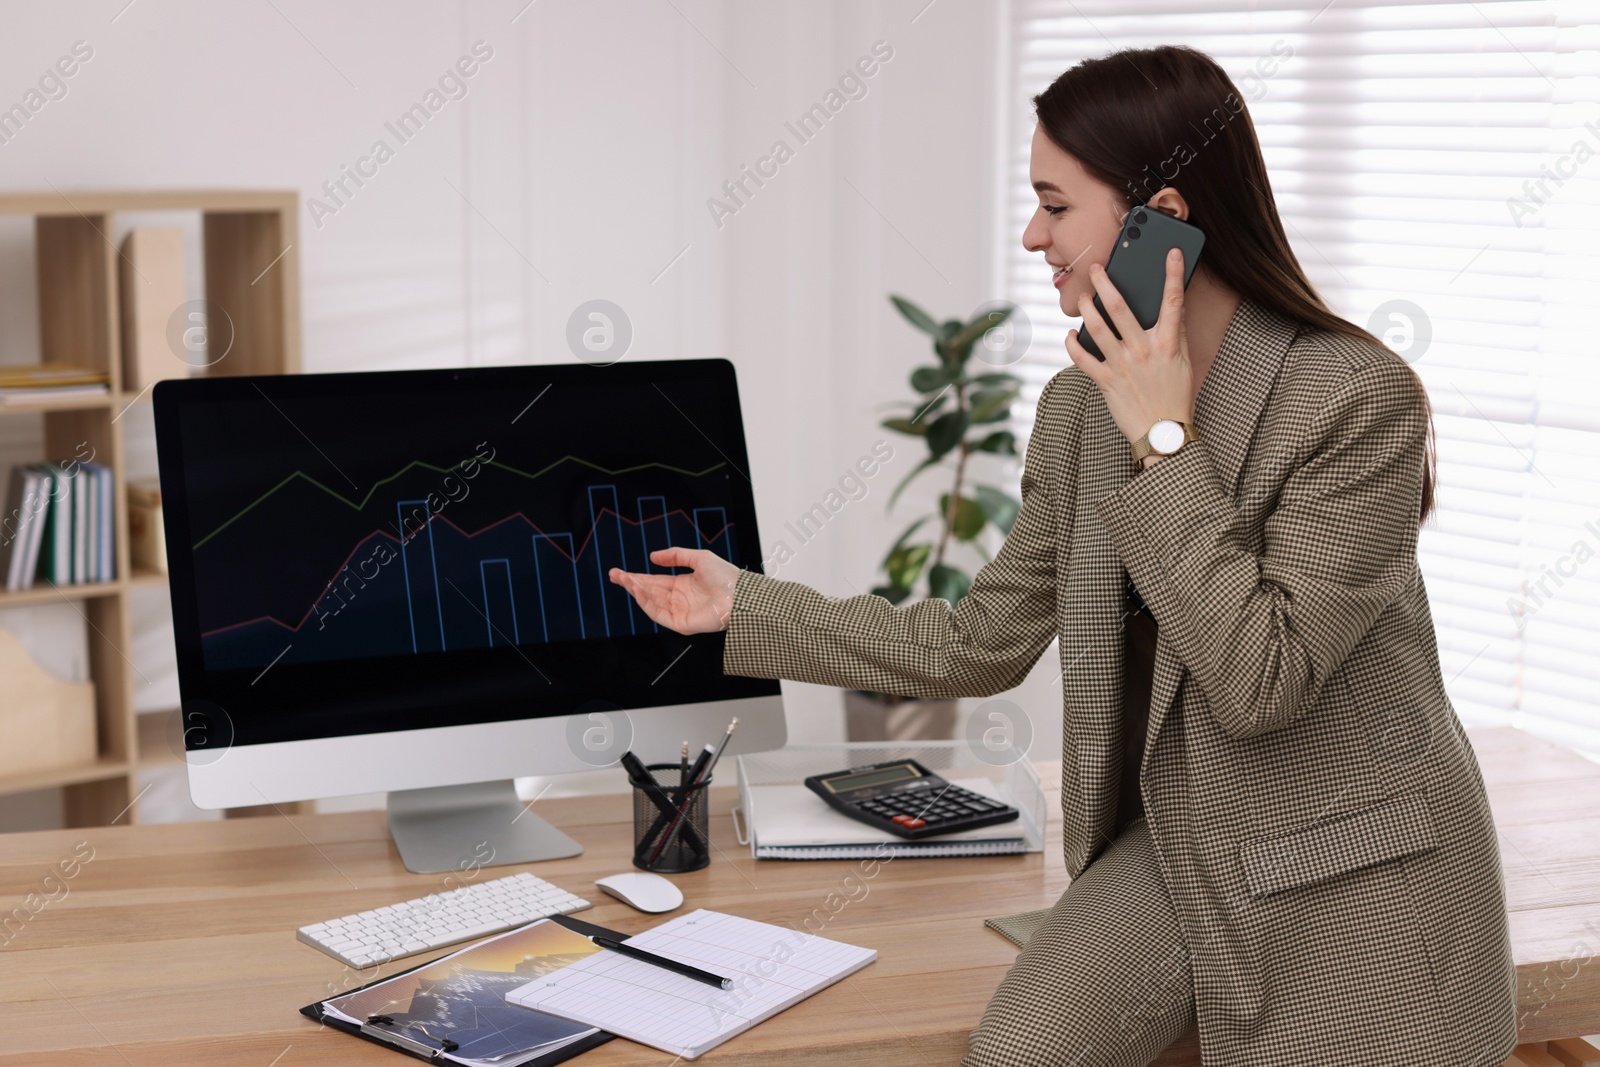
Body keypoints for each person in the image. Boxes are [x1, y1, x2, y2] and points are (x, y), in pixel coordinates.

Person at [608, 44, 1518, 1067]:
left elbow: (1263, 679)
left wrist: (1162, 438)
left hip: (1349, 858)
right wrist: (746, 608)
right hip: (1176, 846)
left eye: (1054, 204)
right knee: (1019, 1049)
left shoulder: (1352, 398)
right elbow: (979, 640)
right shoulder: (1076, 410)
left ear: (1158, 216)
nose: (1033, 235)